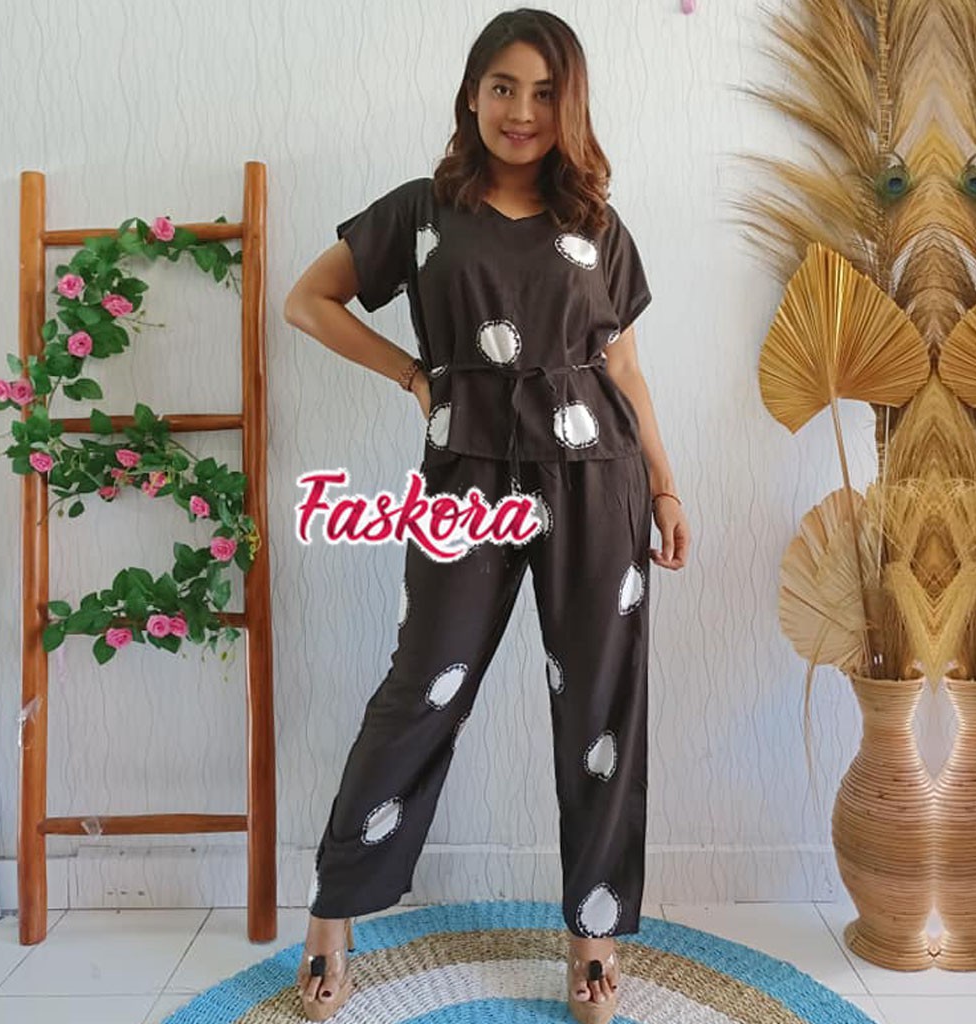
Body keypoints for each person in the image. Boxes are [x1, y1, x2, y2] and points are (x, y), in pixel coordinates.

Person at [283, 8, 689, 1022]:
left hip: (596, 477)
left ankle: (593, 933)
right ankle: (334, 911)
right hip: (464, 479)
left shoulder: (597, 223)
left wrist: (666, 486)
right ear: (471, 94)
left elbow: (624, 368)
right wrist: (413, 376)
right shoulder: (422, 210)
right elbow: (308, 300)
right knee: (424, 683)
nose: (522, 110)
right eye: (503, 87)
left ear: (570, 105)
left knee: (600, 702)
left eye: (545, 92)